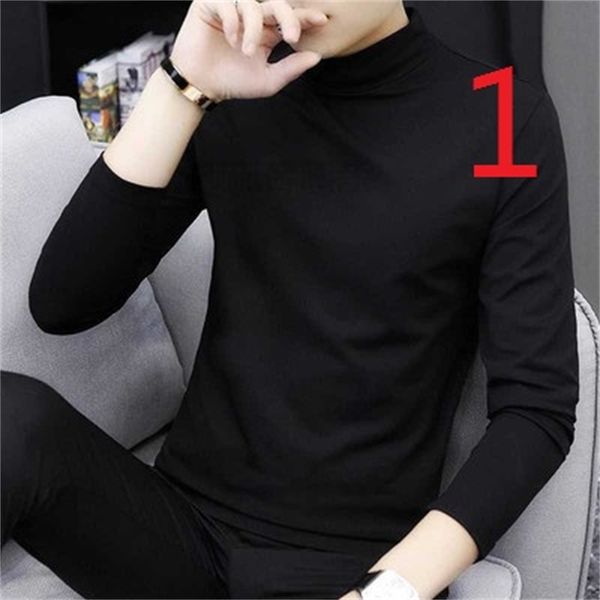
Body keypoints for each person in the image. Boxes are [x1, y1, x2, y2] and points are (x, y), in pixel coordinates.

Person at [2, 0, 579, 598]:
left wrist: (388, 589)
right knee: (10, 418)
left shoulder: (503, 113)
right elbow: (63, 304)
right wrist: (184, 84)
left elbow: (536, 409)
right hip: (177, 533)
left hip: (348, 565)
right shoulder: (234, 81)